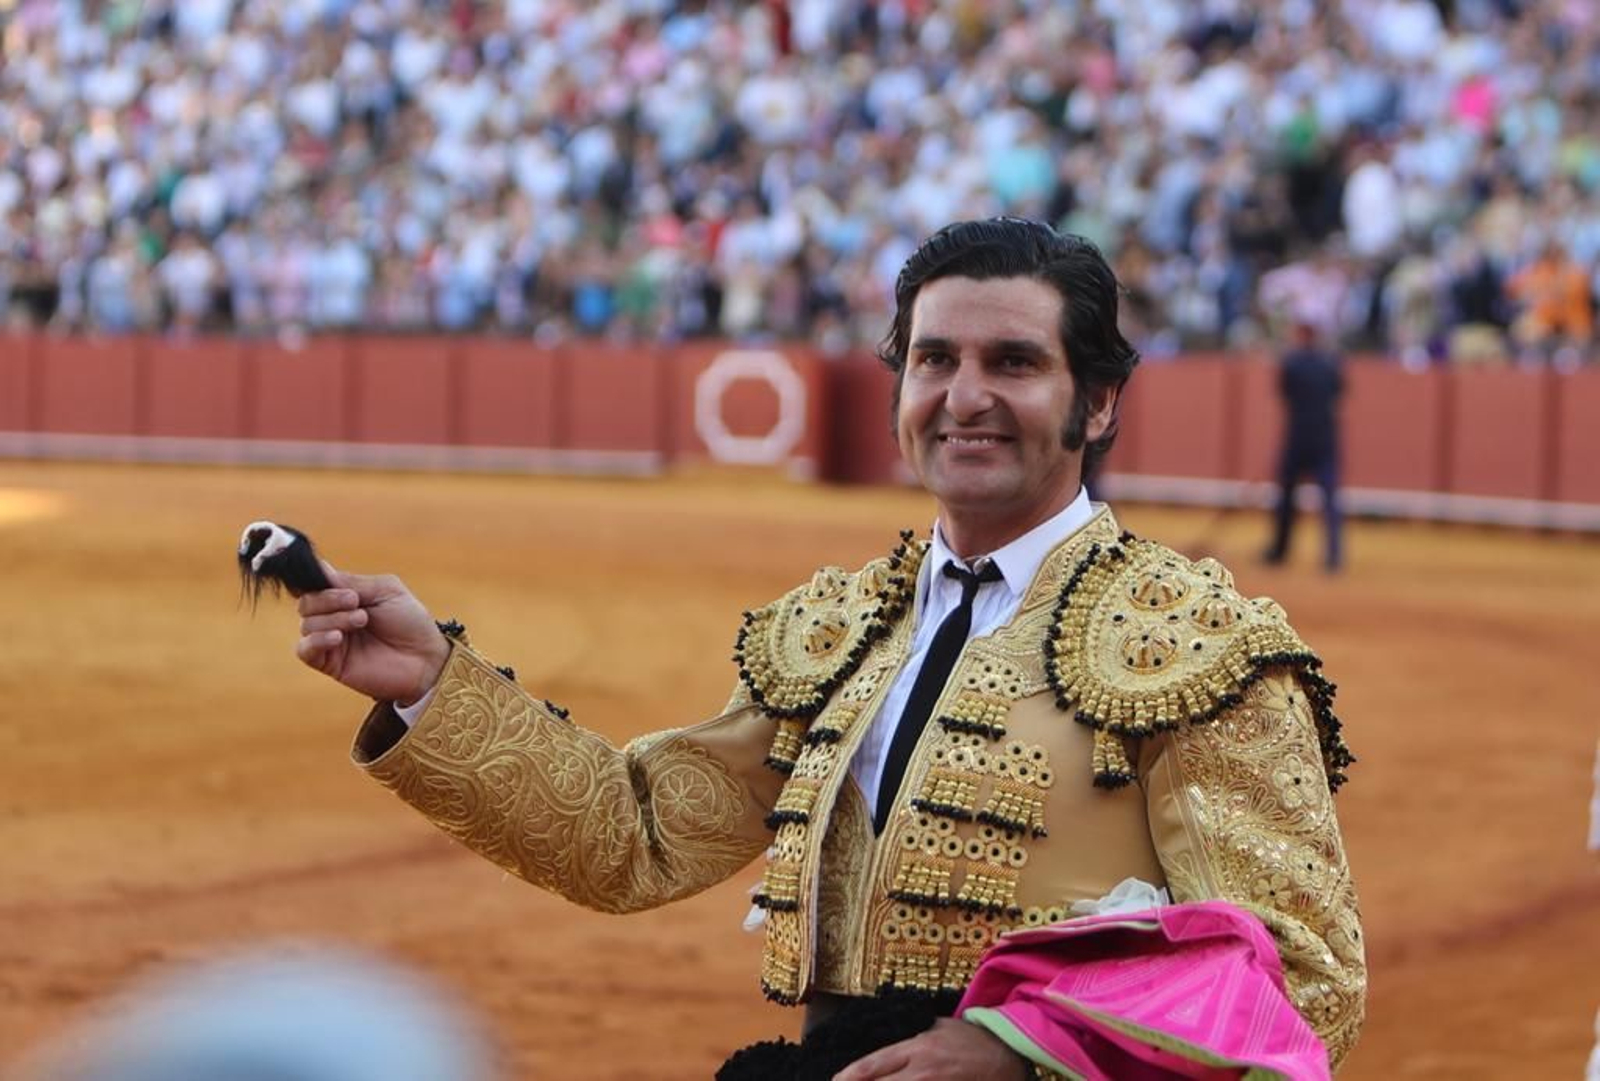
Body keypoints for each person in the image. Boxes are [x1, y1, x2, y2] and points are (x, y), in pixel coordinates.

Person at [291, 219, 1365, 1078]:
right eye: (934, 359)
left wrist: (1024, 1049)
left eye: (1014, 362)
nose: (965, 396)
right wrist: (433, 683)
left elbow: (1297, 975)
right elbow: (637, 836)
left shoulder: (1198, 646)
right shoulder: (841, 629)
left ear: (1096, 401)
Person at [1263, 319, 1346, 573]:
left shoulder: (1292, 364)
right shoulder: (1330, 364)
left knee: (1287, 497)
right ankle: (1333, 556)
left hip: (1298, 438)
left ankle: (1279, 550)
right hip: (1325, 437)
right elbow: (1339, 392)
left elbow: (1285, 392)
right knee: (1330, 498)